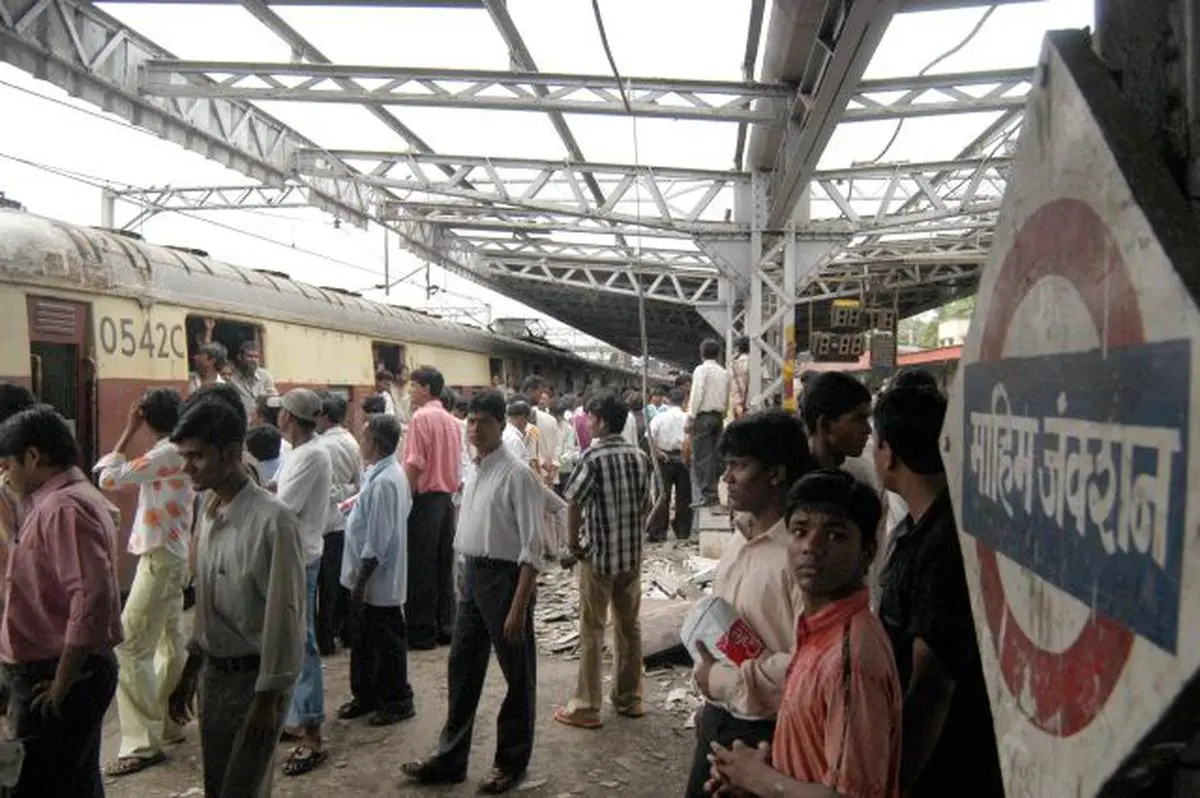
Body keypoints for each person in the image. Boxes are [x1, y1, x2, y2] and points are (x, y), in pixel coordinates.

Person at [706, 470, 901, 798]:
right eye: (799, 531)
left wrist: (760, 779)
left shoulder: (850, 659)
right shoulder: (816, 633)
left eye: (835, 536)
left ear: (867, 553)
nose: (811, 547)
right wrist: (752, 776)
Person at [401, 390, 544, 795]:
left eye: (484, 421)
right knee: (462, 669)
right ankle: (450, 758)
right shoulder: (477, 469)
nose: (475, 429)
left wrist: (518, 606)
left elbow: (532, 551)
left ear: (501, 424)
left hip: (506, 581)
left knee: (518, 676)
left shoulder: (517, 475)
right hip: (474, 578)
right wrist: (462, 573)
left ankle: (510, 763)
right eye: (472, 421)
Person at [167, 393, 306, 798]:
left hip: (254, 684)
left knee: (241, 788)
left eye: (195, 456)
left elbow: (286, 619)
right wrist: (191, 671)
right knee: (218, 783)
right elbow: (208, 607)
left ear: (230, 452)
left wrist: (268, 701)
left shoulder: (273, 522)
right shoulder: (210, 511)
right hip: (214, 676)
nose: (185, 467)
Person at [873, 384, 1004, 797]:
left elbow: (932, 685)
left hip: (948, 764)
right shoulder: (935, 525)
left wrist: (897, 781)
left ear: (888, 453)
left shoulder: (943, 544)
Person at [682, 410, 812, 798]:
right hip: (720, 717)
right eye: (727, 465)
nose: (727, 478)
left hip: (765, 737)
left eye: (739, 466)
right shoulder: (741, 535)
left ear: (776, 474)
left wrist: (722, 680)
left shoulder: (801, 555)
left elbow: (806, 664)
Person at [0, 405, 122, 796]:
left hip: (58, 671)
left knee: (41, 784)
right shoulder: (62, 498)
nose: (6, 475)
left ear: (34, 457)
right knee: (75, 780)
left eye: (8, 465)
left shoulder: (64, 507)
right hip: (58, 667)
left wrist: (62, 682)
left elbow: (91, 595)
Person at [95, 389, 193, 777]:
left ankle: (141, 743)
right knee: (170, 641)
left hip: (159, 557)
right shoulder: (178, 449)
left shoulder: (164, 454)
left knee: (131, 647)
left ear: (149, 420)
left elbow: (107, 478)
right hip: (173, 553)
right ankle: (169, 723)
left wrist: (127, 430)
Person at [555, 391, 656, 729]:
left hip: (597, 557)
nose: (589, 423)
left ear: (603, 421)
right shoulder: (639, 456)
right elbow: (648, 502)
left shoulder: (592, 457)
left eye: (593, 418)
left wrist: (573, 544)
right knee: (630, 628)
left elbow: (573, 502)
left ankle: (586, 705)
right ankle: (630, 699)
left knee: (592, 630)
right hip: (630, 557)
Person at [269, 388, 334, 777]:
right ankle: (297, 718)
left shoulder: (312, 455)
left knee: (303, 639)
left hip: (302, 557)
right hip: (295, 554)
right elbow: (275, 489)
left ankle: (312, 732)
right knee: (291, 637)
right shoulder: (296, 451)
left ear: (289, 418)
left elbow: (282, 505)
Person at [338, 414, 415, 726]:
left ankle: (397, 700)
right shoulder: (377, 473)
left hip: (377, 581)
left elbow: (378, 541)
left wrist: (360, 585)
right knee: (364, 640)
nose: (360, 442)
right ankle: (366, 695)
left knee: (386, 644)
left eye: (365, 437)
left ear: (377, 444)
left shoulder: (386, 481)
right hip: (365, 577)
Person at [401, 366, 463, 650]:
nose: (410, 391)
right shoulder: (452, 421)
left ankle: (421, 631)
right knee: (442, 563)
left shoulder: (420, 417)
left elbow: (415, 462)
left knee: (420, 566)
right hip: (447, 499)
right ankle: (446, 625)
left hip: (424, 500)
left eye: (413, 386)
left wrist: (405, 497)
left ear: (426, 388)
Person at [316, 391, 364, 656]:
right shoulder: (352, 442)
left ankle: (325, 636)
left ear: (324, 416)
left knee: (325, 587)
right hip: (346, 520)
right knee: (342, 580)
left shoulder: (321, 446)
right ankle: (346, 632)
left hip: (324, 522)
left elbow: (322, 488)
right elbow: (358, 482)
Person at [687, 338, 731, 507]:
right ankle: (715, 490)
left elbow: (697, 393)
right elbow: (727, 396)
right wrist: (724, 413)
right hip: (718, 416)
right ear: (719, 354)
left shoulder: (701, 370)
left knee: (702, 456)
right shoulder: (724, 372)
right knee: (716, 455)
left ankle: (709, 495)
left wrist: (691, 416)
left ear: (701, 353)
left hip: (703, 417)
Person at [646, 388, 691, 541]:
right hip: (683, 458)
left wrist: (657, 452)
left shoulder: (659, 418)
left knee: (662, 496)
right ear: (684, 401)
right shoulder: (687, 418)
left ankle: (659, 532)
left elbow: (649, 437)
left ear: (668, 401)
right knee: (684, 497)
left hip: (664, 458)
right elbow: (691, 439)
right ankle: (683, 531)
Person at [227, 340, 277, 416]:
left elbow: (274, 399)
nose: (253, 360)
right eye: (250, 356)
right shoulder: (231, 378)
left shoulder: (265, 376)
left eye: (256, 357)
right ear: (240, 357)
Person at [728, 336, 751, 419]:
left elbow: (734, 388)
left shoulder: (734, 365)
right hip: (754, 405)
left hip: (740, 407)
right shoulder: (759, 364)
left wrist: (738, 406)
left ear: (738, 348)